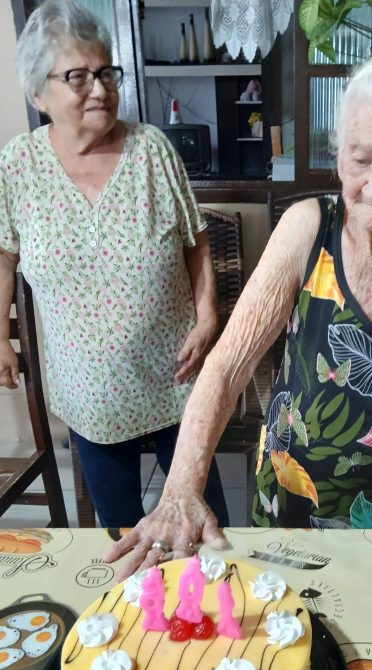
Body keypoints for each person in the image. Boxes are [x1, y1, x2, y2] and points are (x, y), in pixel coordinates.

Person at [104, 31, 372, 591]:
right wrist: (179, 491)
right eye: (360, 157)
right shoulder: (308, 227)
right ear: (337, 154)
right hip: (293, 509)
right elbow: (225, 367)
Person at [0, 0, 228, 529]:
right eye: (77, 76)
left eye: (105, 72)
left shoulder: (151, 150)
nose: (100, 89)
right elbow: (5, 255)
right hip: (90, 395)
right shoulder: (18, 164)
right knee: (122, 531)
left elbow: (196, 241)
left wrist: (208, 315)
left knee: (204, 524)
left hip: (176, 378)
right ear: (39, 92)